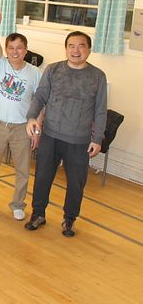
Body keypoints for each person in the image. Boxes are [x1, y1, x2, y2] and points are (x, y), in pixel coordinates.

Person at [24, 31, 107, 237]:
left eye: (81, 46)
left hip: (79, 141)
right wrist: (32, 117)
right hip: (51, 136)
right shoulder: (53, 70)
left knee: (76, 183)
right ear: (66, 48)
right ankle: (38, 214)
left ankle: (69, 220)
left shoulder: (98, 76)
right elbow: (40, 96)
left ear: (88, 49)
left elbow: (100, 110)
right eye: (71, 45)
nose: (76, 50)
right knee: (42, 177)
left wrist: (97, 139)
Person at [0, 12, 42, 221]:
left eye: (19, 48)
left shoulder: (35, 73)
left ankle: (18, 205)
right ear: (6, 50)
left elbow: (40, 103)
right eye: (11, 48)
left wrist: (37, 129)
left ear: (26, 50)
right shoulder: (0, 65)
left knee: (22, 169)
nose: (15, 51)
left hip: (22, 127)